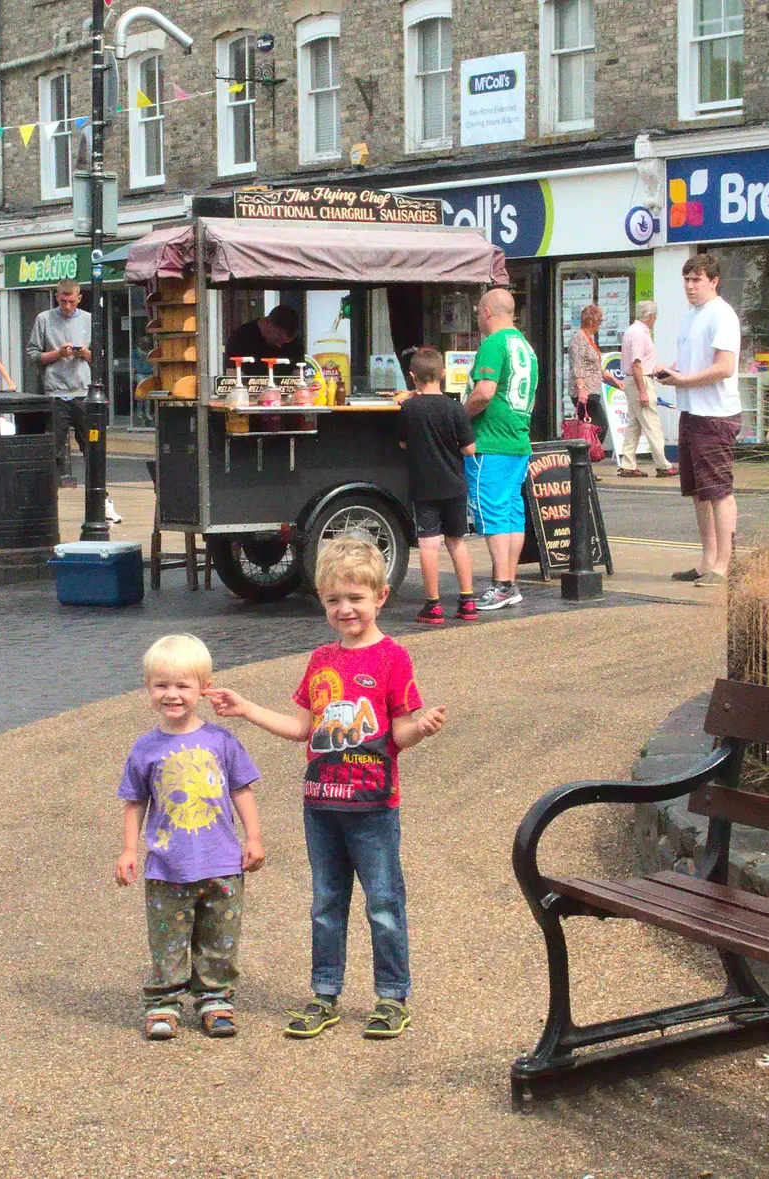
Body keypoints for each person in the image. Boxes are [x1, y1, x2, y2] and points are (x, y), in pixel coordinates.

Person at [205, 537, 446, 1041]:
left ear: (380, 597)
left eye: (356, 598)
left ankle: (391, 996)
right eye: (334, 599)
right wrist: (246, 708)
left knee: (383, 901)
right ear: (322, 601)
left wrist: (419, 728)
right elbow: (302, 729)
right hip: (321, 803)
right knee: (325, 902)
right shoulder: (319, 660)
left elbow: (395, 735)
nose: (345, 609)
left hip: (374, 803)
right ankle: (325, 993)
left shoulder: (392, 659)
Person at [115, 634, 266, 1041]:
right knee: (167, 939)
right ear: (147, 688)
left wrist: (253, 837)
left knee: (220, 936)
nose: (172, 694)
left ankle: (215, 999)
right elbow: (134, 802)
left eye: (183, 685)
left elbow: (241, 790)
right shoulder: (144, 749)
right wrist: (130, 850)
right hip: (167, 866)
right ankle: (164, 1002)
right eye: (161, 685)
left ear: (204, 686)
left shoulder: (222, 740)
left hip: (222, 862)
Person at [658, 254, 741, 587]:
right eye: (687, 280)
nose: (690, 286)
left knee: (719, 491)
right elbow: (693, 361)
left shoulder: (722, 315)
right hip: (691, 412)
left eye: (697, 280)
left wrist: (683, 381)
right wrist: (672, 371)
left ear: (714, 281)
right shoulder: (692, 317)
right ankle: (708, 560)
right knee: (697, 491)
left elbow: (725, 367)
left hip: (715, 416)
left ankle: (724, 564)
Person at [464, 287, 538, 612]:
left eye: (478, 312)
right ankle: (509, 583)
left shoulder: (493, 344)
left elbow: (483, 393)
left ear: (487, 312)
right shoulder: (527, 348)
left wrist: (456, 417)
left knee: (492, 511)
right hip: (518, 440)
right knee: (511, 512)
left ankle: (502, 586)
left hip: (490, 442)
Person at [25, 278, 120, 521]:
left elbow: (98, 357)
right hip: (56, 393)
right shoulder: (44, 319)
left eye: (71, 301)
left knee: (93, 450)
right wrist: (58, 353)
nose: (67, 306)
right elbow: (33, 355)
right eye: (63, 300)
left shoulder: (89, 319)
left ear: (79, 298)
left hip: (83, 394)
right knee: (51, 452)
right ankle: (43, 505)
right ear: (57, 297)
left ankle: (103, 502)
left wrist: (85, 353)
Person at [396, 347, 477, 624]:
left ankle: (433, 606)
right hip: (455, 485)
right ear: (442, 374)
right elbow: (469, 449)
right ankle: (467, 602)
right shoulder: (455, 408)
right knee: (457, 542)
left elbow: (402, 443)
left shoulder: (408, 408)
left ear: (412, 376)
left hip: (425, 486)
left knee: (429, 546)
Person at [615, 300, 677, 479]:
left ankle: (627, 464)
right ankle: (663, 465)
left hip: (634, 379)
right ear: (651, 316)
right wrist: (643, 390)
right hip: (639, 380)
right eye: (654, 317)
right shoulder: (639, 334)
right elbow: (636, 363)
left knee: (634, 424)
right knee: (652, 424)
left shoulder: (631, 331)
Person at [567, 303, 624, 458]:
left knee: (588, 429)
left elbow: (595, 366)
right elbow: (577, 365)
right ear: (591, 321)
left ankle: (584, 465)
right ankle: (585, 462)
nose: (600, 325)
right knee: (599, 426)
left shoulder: (589, 339)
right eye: (599, 321)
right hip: (585, 391)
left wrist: (613, 379)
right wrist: (581, 388)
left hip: (592, 390)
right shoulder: (579, 339)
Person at [223, 305, 305, 376]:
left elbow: (299, 373)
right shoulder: (240, 337)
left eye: (286, 342)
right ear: (267, 323)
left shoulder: (295, 343)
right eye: (278, 338)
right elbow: (232, 374)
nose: (280, 345)